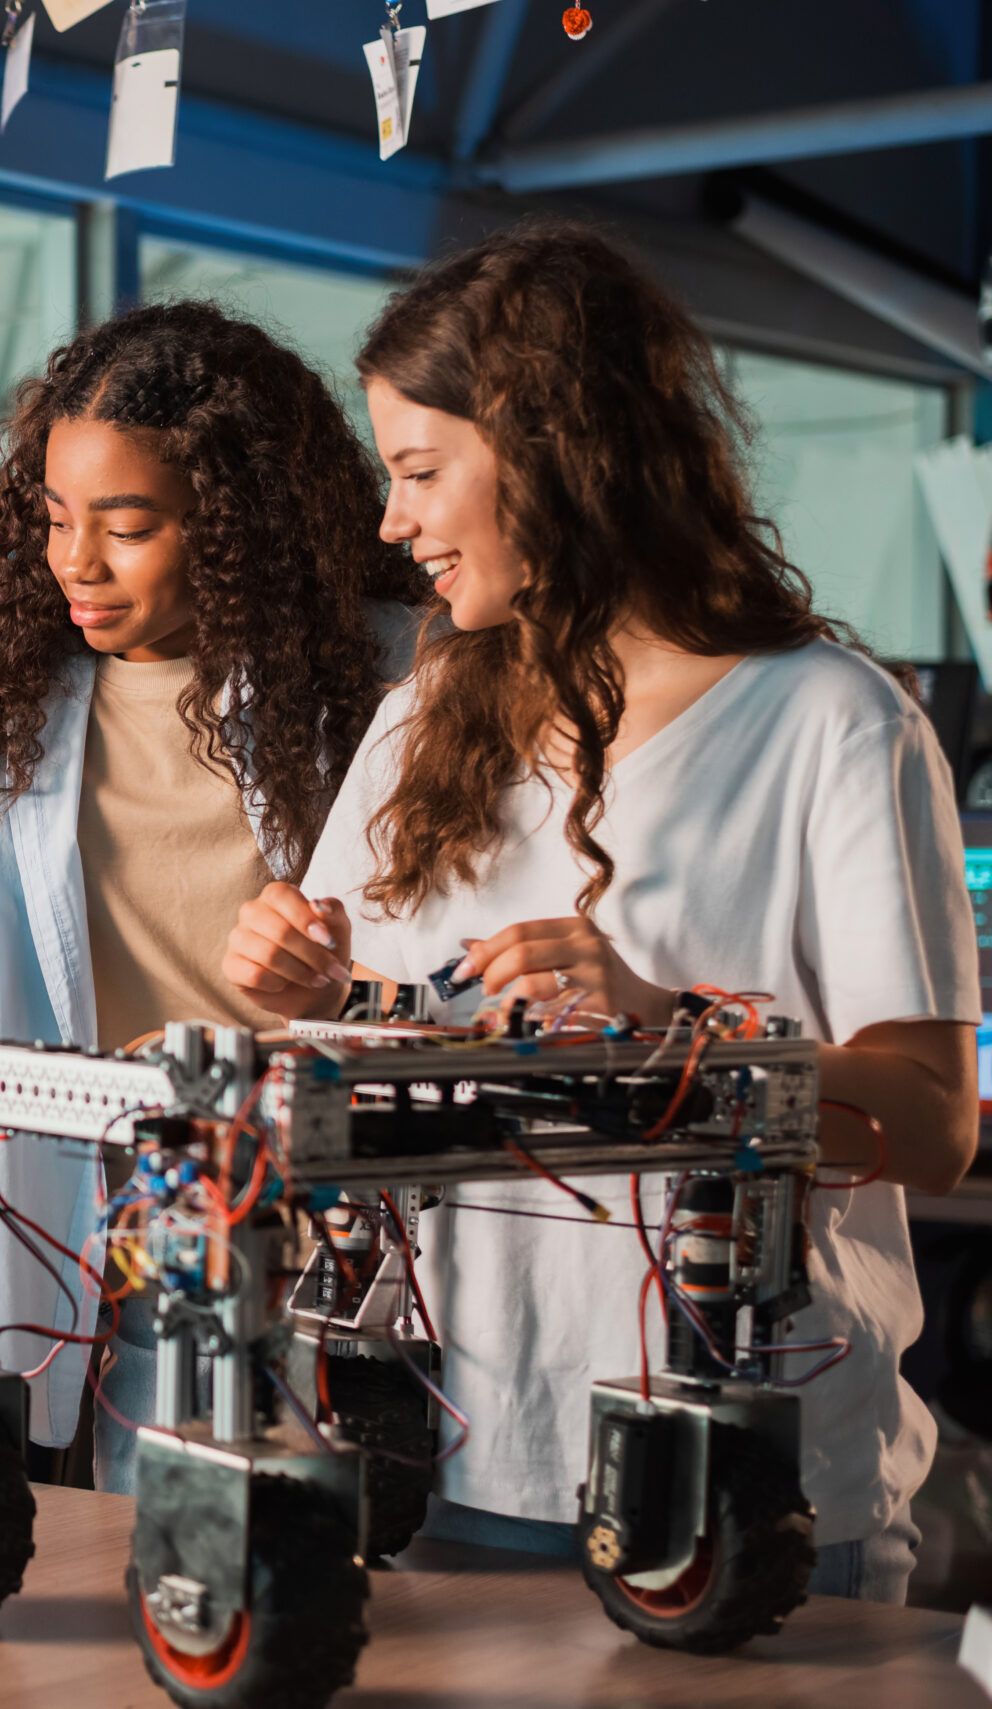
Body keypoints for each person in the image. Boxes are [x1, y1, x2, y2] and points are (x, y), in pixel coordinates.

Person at [226, 220, 974, 1603]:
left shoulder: (833, 723)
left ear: (558, 452)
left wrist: (668, 1022)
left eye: (420, 473)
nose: (394, 523)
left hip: (750, 1487)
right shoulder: (417, 725)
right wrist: (305, 983)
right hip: (453, 1460)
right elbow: (368, 1037)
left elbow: (933, 1125)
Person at [0, 301, 423, 1513]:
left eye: (130, 526)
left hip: (357, 1237)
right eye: (56, 519)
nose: (77, 563)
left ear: (239, 523)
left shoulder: (403, 684)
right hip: (114, 1253)